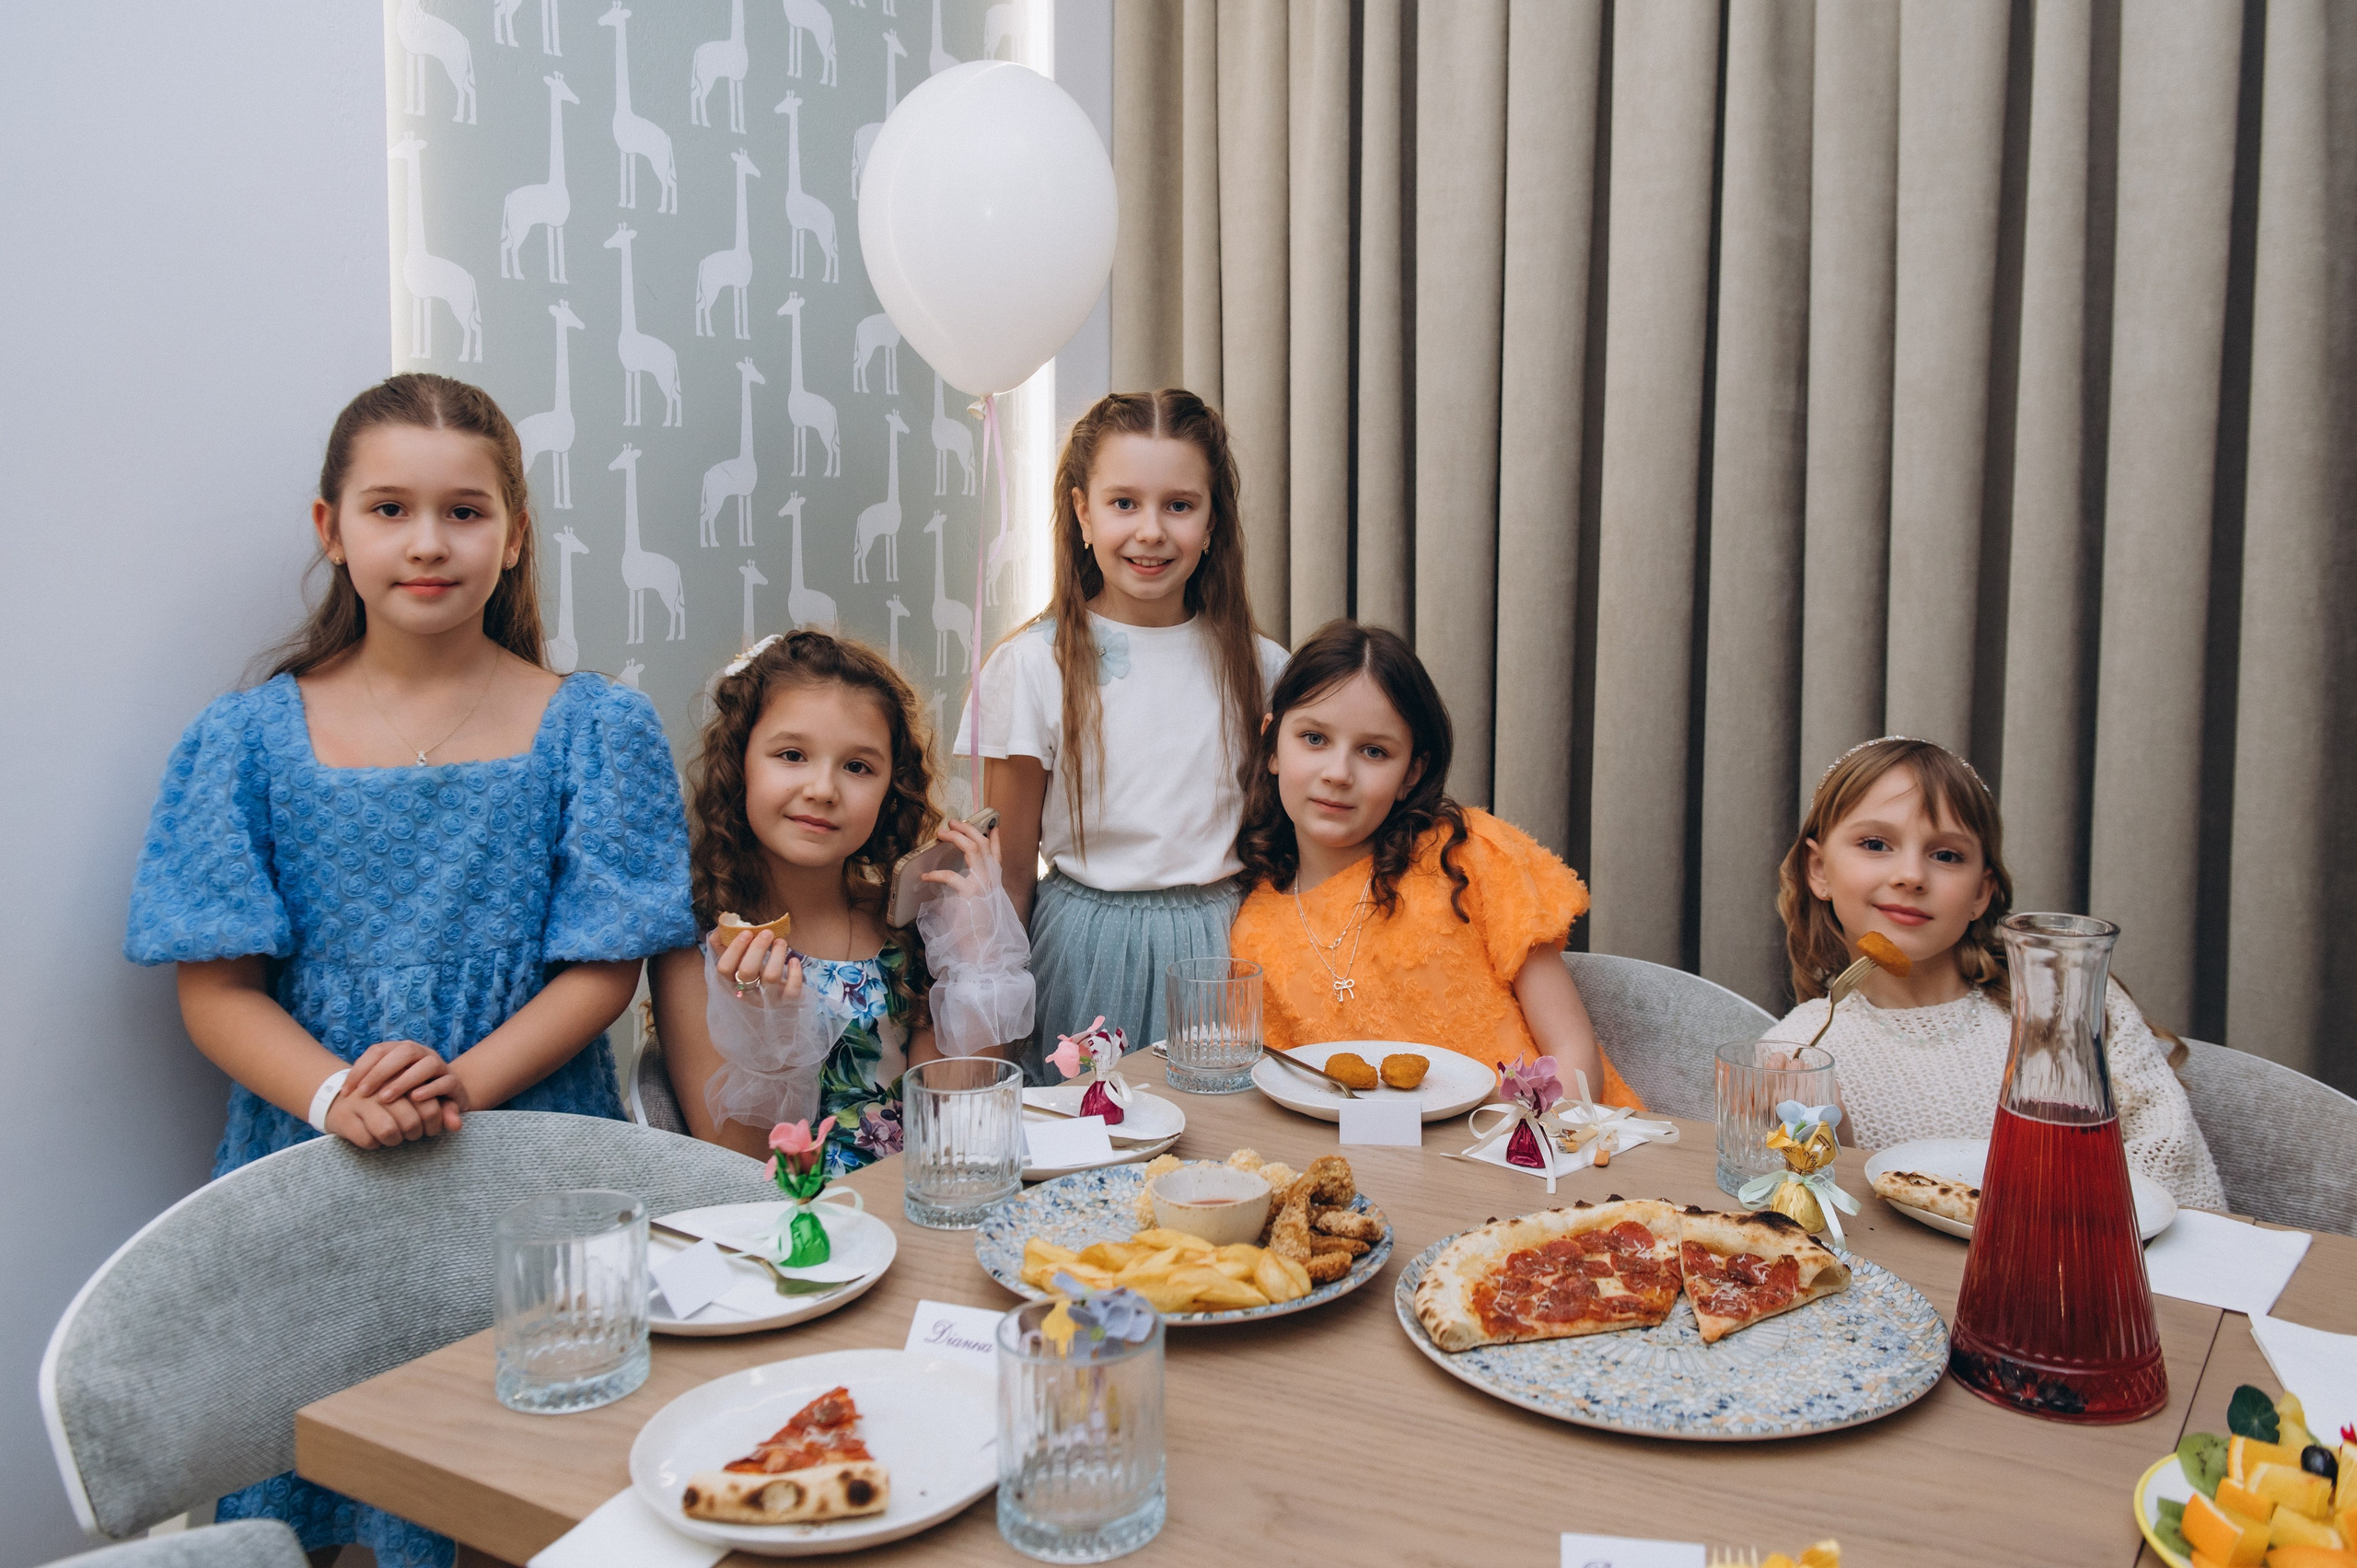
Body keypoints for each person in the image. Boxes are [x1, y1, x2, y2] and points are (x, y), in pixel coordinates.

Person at [124, 374, 694, 1568]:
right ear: (330, 528)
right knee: (333, 1495)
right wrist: (342, 1094)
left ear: (516, 532)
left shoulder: (595, 727)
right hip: (315, 1167)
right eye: (389, 508)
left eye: (465, 511)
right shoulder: (244, 741)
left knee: (536, 1490)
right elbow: (213, 987)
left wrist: (459, 1087)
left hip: (533, 1159)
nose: (428, 542)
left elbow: (605, 966)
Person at [958, 389, 1288, 1074]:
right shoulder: (1030, 666)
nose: (1151, 531)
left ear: (1213, 520)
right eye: (1123, 503)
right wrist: (992, 1029)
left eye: (1179, 505)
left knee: (1221, 1162)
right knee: (1089, 1145)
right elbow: (1012, 873)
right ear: (1083, 511)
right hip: (1084, 949)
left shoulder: (1264, 668)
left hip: (1225, 951)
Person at [1771, 735, 2225, 1209]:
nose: (1911, 875)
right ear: (1819, 869)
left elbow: (2175, 1162)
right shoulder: (1797, 1051)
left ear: (1980, 893)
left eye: (1946, 855)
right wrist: (1833, 1147)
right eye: (1875, 844)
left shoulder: (2065, 1000)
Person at [653, 631, 1032, 1174]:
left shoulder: (905, 929)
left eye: (858, 767)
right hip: (799, 1239)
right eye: (792, 755)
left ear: (889, 790)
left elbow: (959, 1133)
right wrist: (768, 1042)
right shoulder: (700, 952)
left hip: (918, 1214)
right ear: (739, 764)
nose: (823, 789)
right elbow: (737, 1170)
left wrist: (971, 960)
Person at [1229, 621, 1640, 1105]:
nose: (1338, 774)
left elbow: (1573, 1053)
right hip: (1390, 1173)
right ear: (1272, 744)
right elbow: (1301, 1101)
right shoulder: (1253, 934)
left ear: (1411, 773)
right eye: (1314, 739)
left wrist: (1522, 1155)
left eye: (1374, 751)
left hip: (1552, 1149)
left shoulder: (1469, 855)